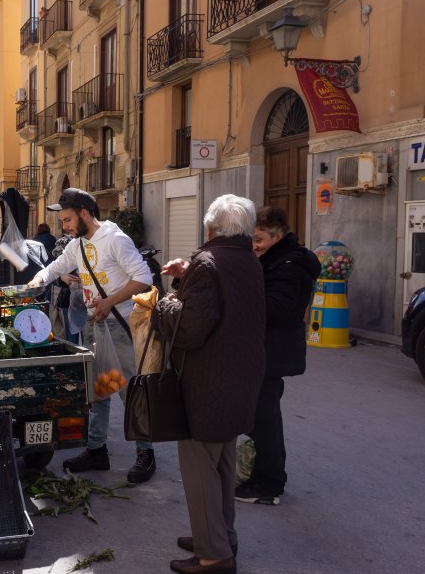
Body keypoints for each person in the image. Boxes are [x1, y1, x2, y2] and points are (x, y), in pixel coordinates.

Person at [155, 194, 266, 574]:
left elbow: (188, 329)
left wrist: (164, 303)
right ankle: (219, 536)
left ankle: (214, 555)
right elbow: (222, 299)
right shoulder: (249, 259)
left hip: (208, 384)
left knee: (200, 468)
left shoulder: (208, 262)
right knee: (221, 464)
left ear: (210, 228)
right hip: (240, 378)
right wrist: (190, 276)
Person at [28, 188, 156, 483]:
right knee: (98, 390)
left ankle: (145, 454)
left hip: (120, 326)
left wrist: (110, 301)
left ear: (85, 213)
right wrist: (39, 278)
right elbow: (58, 266)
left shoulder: (115, 239)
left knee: (130, 390)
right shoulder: (78, 244)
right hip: (95, 326)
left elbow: (143, 278)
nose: (65, 226)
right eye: (63, 221)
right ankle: (97, 450)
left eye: (69, 219)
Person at [237, 206, 319, 506]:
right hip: (265, 350)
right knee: (263, 417)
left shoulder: (288, 264)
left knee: (264, 420)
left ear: (278, 235)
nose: (254, 245)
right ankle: (261, 476)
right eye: (252, 239)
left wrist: (239, 295)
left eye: (258, 239)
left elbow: (276, 308)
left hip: (272, 352)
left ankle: (267, 485)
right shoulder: (272, 258)